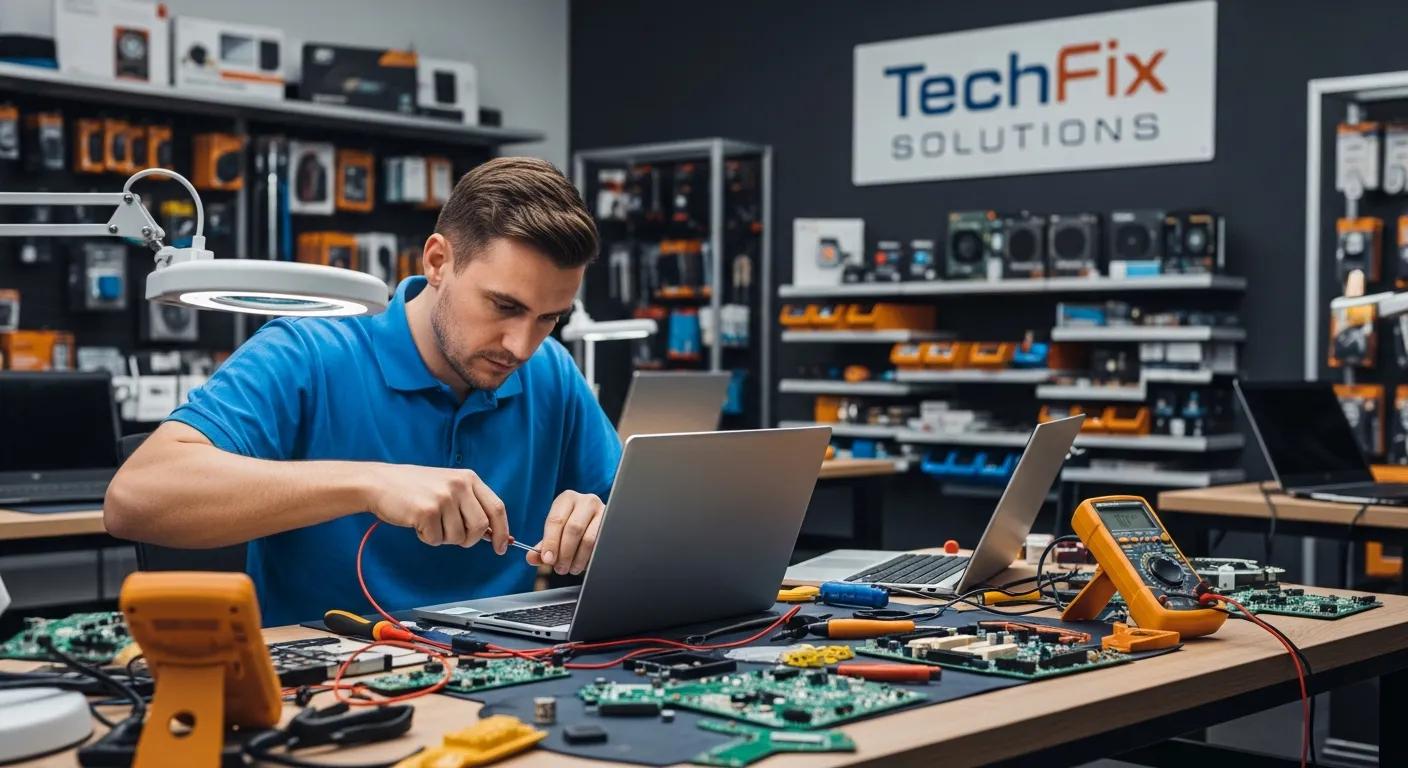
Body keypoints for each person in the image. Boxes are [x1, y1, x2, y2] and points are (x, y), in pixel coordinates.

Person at [105, 157, 621, 626]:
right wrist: (369, 483)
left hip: (503, 669)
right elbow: (134, 499)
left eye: (549, 318)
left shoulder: (550, 372)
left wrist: (602, 523)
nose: (521, 345)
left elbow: (644, 526)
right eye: (505, 307)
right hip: (331, 677)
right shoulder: (309, 350)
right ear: (437, 262)